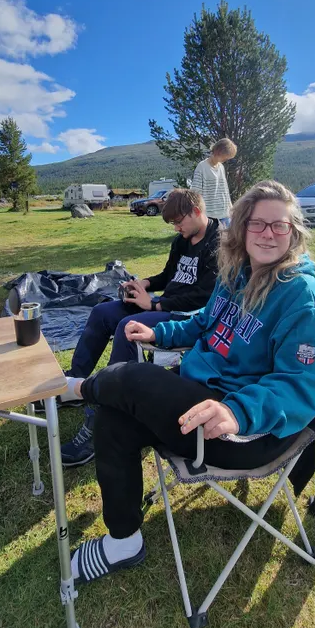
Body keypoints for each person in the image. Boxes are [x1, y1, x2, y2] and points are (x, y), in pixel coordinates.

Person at [64, 180, 315, 584]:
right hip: (198, 397)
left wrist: (236, 411)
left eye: (279, 225)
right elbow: (203, 322)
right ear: (242, 228)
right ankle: (124, 541)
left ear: (293, 232)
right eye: (257, 223)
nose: (267, 234)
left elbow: (299, 386)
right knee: (113, 418)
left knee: (133, 379)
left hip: (244, 428)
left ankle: (72, 389)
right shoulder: (236, 273)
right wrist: (159, 333)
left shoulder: (305, 301)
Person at [60, 188, 220, 466]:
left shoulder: (220, 244)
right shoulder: (182, 240)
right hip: (164, 304)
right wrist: (143, 284)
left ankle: (102, 419)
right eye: (172, 224)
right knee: (102, 312)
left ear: (196, 212)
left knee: (127, 327)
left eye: (179, 221)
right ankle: (76, 383)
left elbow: (206, 297)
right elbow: (168, 276)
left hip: (188, 316)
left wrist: (155, 305)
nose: (177, 228)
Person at [191, 137, 237, 226]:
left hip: (225, 215)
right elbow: (195, 192)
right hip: (210, 216)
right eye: (226, 155)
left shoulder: (221, 167)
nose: (227, 159)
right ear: (219, 151)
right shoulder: (202, 167)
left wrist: (231, 208)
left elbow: (225, 190)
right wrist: (198, 213)